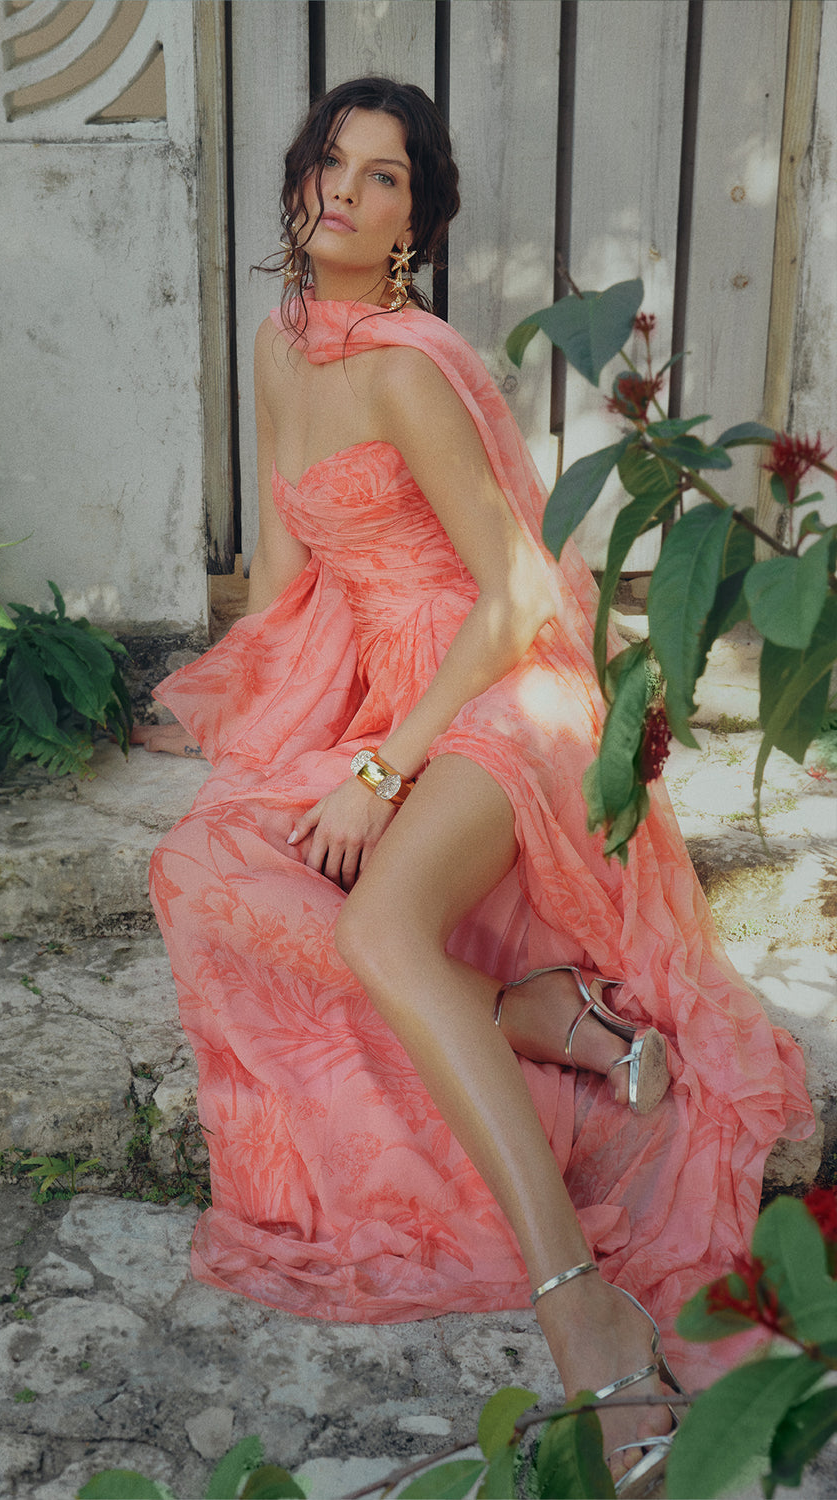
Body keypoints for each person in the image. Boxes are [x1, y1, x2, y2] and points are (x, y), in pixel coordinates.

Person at [136, 77, 812, 1492]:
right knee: (198, 863)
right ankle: (536, 1014)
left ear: (415, 224)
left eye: (384, 178)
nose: (345, 189)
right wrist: (256, 729)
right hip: (387, 685)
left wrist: (380, 771)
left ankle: (585, 1314)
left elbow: (511, 597)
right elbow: (286, 570)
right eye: (331, 159)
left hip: (504, 690)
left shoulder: (409, 362)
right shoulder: (281, 348)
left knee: (381, 931)